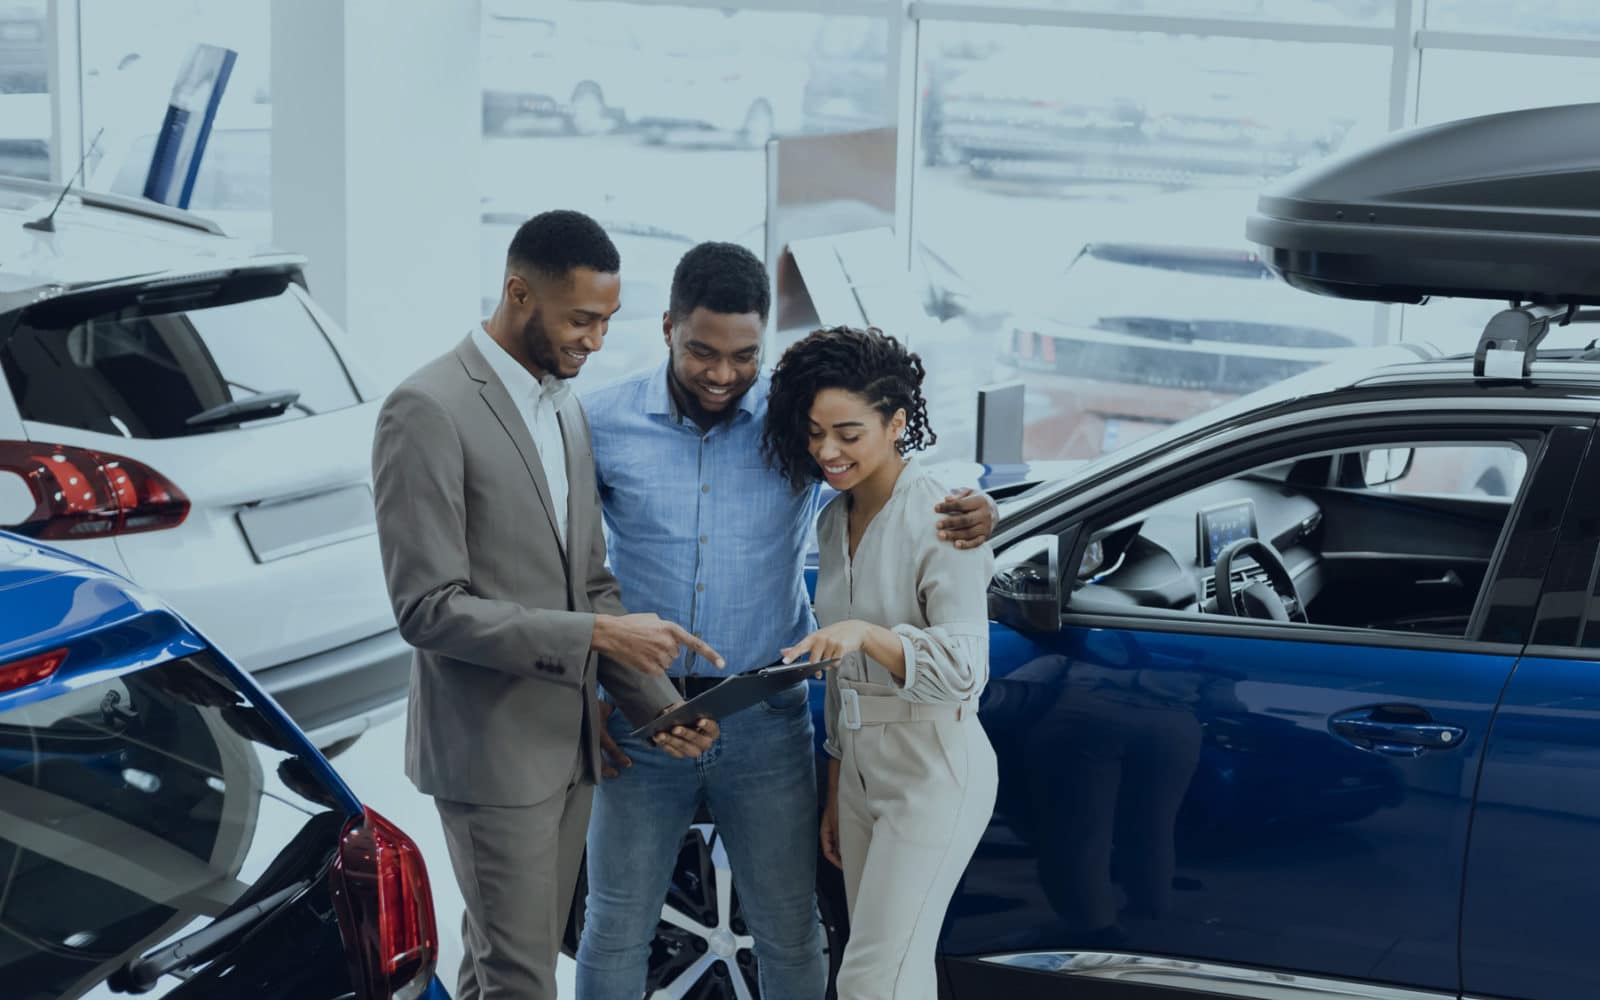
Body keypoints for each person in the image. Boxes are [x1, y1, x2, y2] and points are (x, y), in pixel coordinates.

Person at [576, 243, 996, 1000]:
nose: (721, 373)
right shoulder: (599, 423)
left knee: (791, 930)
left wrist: (985, 506)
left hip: (765, 715)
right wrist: (592, 693)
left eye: (743, 355)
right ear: (667, 326)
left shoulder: (797, 419)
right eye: (701, 350)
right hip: (642, 710)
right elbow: (571, 571)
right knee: (613, 928)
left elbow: (892, 463)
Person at [371, 210, 724, 1000]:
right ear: (518, 292)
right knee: (521, 977)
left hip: (571, 747)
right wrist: (596, 633)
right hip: (491, 754)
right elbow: (427, 608)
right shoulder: (425, 409)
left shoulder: (563, 403)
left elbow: (589, 582)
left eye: (606, 320)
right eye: (580, 319)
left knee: (499, 966)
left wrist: (660, 708)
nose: (596, 340)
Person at [767, 325, 999, 1000]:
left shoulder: (944, 517)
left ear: (897, 422)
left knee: (875, 978)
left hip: (934, 772)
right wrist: (841, 789)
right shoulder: (832, 518)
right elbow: (843, 684)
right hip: (864, 776)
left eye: (848, 432)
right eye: (814, 433)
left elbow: (965, 669)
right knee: (891, 974)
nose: (827, 451)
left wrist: (868, 634)